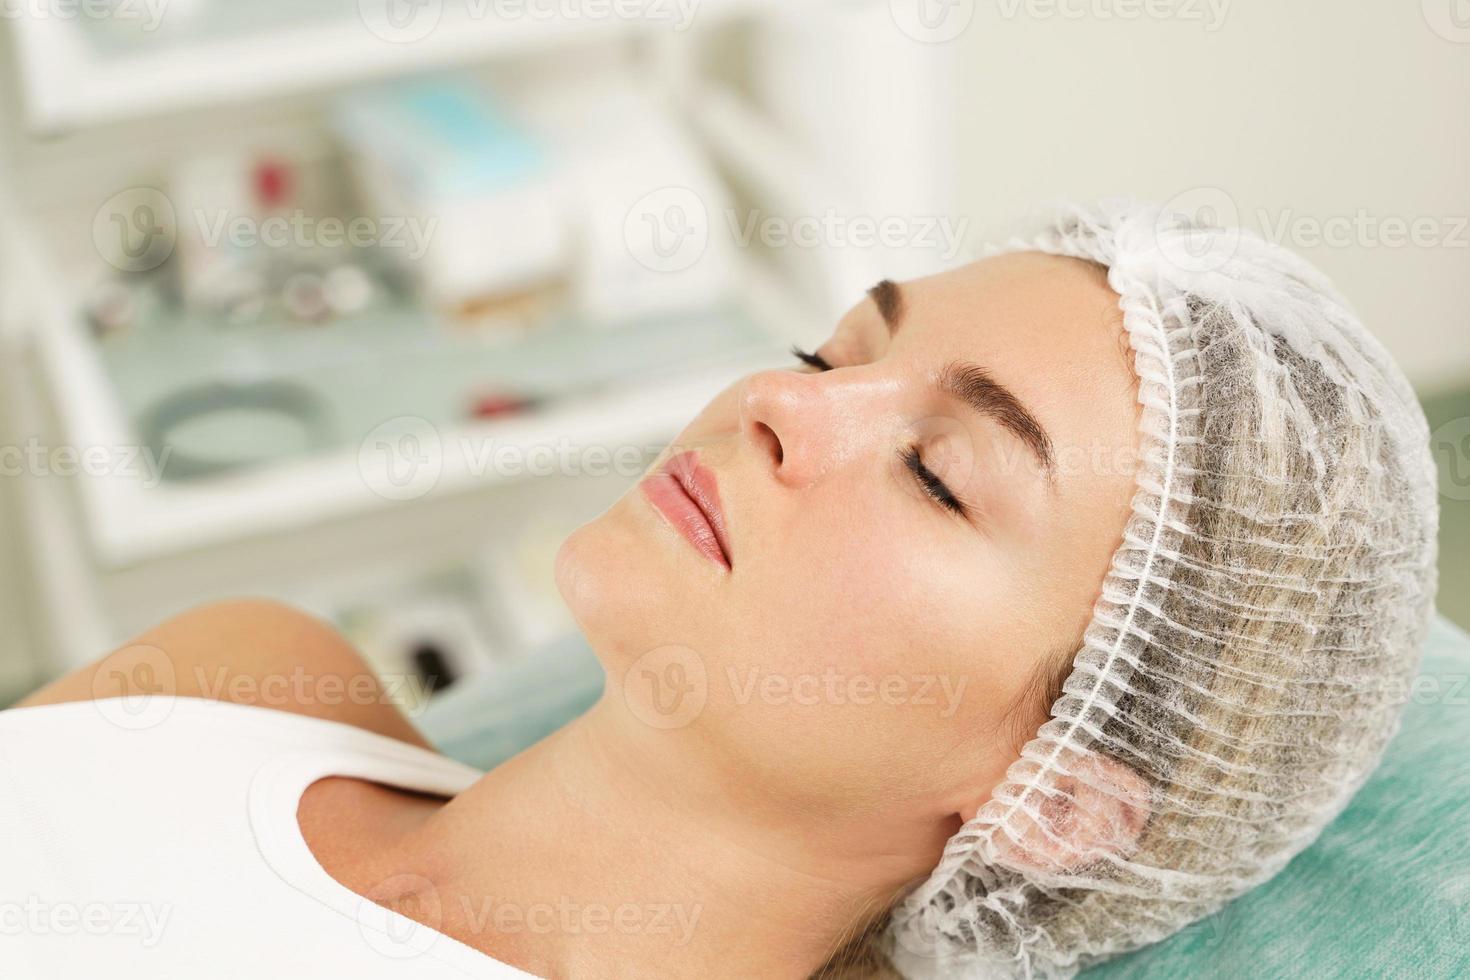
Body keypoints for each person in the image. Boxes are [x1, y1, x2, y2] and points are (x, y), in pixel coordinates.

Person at [2, 202, 1438, 979]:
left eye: (937, 471)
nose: (773, 404)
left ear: (1052, 797)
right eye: (830, 356)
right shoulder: (240, 670)